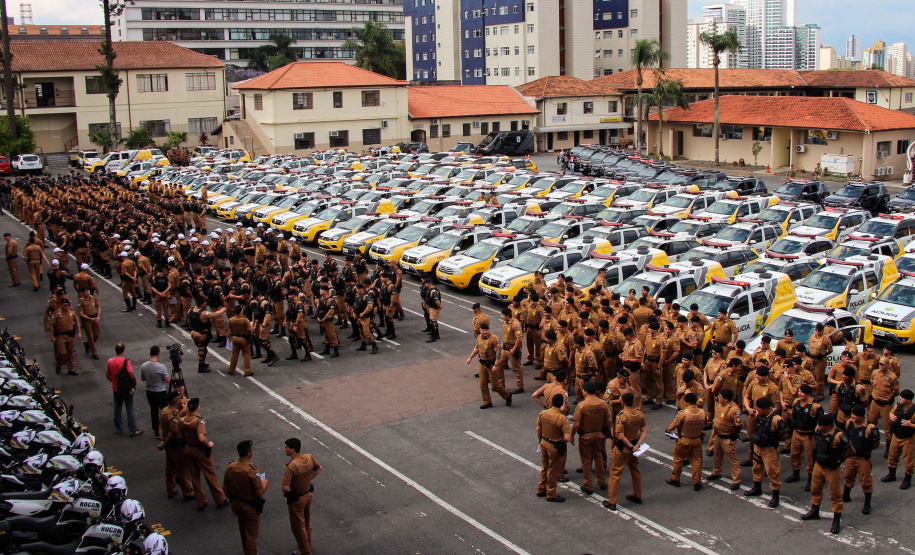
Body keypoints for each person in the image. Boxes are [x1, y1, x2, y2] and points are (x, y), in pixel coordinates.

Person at [803, 414, 850, 534]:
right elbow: (816, 445)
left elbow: (851, 450)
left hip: (832, 468)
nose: (818, 427)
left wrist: (839, 459)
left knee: (835, 495)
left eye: (821, 425)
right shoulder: (818, 431)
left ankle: (836, 520)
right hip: (819, 465)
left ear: (828, 426)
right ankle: (814, 511)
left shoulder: (839, 436)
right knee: (815, 489)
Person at [180, 397, 230, 511]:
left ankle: (200, 501)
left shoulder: (183, 420)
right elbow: (201, 438)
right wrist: (208, 444)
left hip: (188, 448)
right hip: (199, 450)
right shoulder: (199, 420)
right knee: (210, 474)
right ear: (198, 407)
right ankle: (220, 499)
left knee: (194, 476)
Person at [602, 392, 647, 511]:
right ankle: (637, 495)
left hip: (623, 448)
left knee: (615, 473)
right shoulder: (639, 414)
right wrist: (637, 444)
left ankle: (612, 501)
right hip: (634, 446)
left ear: (622, 402)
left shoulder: (622, 416)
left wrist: (631, 447)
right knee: (635, 471)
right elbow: (644, 430)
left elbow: (620, 436)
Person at [224, 440, 269, 555]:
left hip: (237, 503)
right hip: (250, 505)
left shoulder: (230, 467)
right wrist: (265, 483)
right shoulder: (252, 469)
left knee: (243, 531)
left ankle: (247, 551)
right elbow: (259, 491)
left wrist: (233, 501)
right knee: (252, 535)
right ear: (249, 453)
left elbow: (225, 487)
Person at [283, 438, 322, 555]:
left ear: (292, 450)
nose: (284, 449)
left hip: (298, 498)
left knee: (297, 527)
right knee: (307, 522)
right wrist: (306, 480)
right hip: (308, 494)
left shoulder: (291, 466)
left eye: (286, 447)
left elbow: (285, 487)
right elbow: (319, 468)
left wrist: (289, 494)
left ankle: (305, 551)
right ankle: (307, 544)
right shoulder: (308, 457)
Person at [571, 381, 611, 495]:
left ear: (585, 391)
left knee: (586, 461)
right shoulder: (603, 403)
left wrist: (572, 436)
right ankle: (602, 481)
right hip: (599, 434)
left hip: (586, 436)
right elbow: (609, 420)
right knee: (598, 457)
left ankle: (588, 485)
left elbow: (577, 424)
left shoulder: (582, 405)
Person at [745, 397, 784, 508]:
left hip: (769, 448)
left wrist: (772, 440)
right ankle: (757, 488)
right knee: (756, 467)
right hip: (758, 446)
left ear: (766, 408)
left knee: (772, 471)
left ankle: (775, 495)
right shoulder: (758, 415)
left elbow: (783, 435)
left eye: (759, 408)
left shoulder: (776, 419)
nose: (757, 410)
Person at [785, 384, 823, 492]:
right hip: (797, 433)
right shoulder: (796, 402)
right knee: (794, 455)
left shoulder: (815, 406)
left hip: (808, 436)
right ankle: (795, 474)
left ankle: (811, 479)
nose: (799, 393)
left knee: (810, 458)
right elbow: (794, 416)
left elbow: (820, 423)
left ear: (808, 394)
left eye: (802, 392)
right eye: (799, 391)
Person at [157, 390, 193, 501]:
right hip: (175, 445)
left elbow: (162, 427)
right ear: (175, 401)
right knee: (182, 469)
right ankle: (188, 492)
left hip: (168, 445)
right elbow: (173, 432)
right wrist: (165, 443)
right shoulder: (174, 415)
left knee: (170, 468)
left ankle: (171, 489)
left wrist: (163, 440)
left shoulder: (164, 411)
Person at [666, 392, 707, 491]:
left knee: (678, 459)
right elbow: (705, 423)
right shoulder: (702, 412)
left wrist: (667, 430)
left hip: (684, 440)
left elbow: (673, 425)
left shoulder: (683, 413)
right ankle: (697, 482)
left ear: (687, 402)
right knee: (696, 461)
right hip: (697, 439)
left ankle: (675, 479)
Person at [466, 323, 511, 409]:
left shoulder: (494, 339)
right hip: (483, 363)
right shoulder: (479, 337)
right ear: (480, 331)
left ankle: (507, 395)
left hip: (491, 364)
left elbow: (498, 352)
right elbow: (477, 348)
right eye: (483, 330)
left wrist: (496, 364)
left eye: (486, 330)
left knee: (495, 384)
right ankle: (487, 401)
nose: (485, 332)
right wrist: (470, 358)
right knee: (483, 384)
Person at [844, 405, 879, 515]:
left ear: (861, 416)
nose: (852, 416)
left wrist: (866, 451)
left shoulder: (870, 428)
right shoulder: (850, 423)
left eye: (855, 414)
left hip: (863, 458)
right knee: (848, 475)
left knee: (866, 481)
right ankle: (846, 494)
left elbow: (875, 443)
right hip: (851, 456)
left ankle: (867, 503)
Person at [537, 393, 571, 502]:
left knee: (544, 466)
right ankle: (551, 492)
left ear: (551, 402)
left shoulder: (543, 413)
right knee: (553, 470)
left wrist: (540, 440)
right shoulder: (561, 418)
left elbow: (538, 429)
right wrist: (560, 440)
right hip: (554, 446)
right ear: (562, 404)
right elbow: (568, 437)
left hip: (544, 442)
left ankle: (541, 488)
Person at [708, 388, 743, 490]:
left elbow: (739, 424)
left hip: (728, 438)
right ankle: (716, 472)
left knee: (732, 460)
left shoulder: (734, 410)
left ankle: (736, 479)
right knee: (717, 456)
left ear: (726, 399)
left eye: (721, 397)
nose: (719, 397)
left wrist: (733, 432)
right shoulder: (719, 404)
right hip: (718, 436)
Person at [881, 389, 915, 489]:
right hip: (896, 436)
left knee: (908, 460)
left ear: (908, 400)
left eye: (902, 397)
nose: (900, 398)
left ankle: (907, 480)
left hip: (907, 439)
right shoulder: (898, 406)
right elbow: (891, 413)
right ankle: (891, 475)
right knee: (892, 457)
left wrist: (910, 424)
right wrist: (892, 417)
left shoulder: (913, 410)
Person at [106, 343, 141, 436]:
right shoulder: (126, 362)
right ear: (123, 350)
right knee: (130, 409)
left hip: (116, 388)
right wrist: (134, 383)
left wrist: (114, 381)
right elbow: (130, 374)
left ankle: (118, 428)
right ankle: (132, 429)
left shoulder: (110, 361)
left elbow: (107, 375)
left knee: (117, 408)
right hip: (126, 388)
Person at [140, 346, 170, 439]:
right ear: (158, 353)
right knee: (165, 411)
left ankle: (156, 431)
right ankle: (166, 429)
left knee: (154, 411)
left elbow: (143, 378)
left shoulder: (144, 365)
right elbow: (167, 380)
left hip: (150, 391)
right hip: (160, 392)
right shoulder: (161, 367)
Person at [49, 297, 81, 376]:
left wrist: (79, 332)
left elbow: (77, 321)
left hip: (70, 335)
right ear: (61, 306)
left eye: (68, 305)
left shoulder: (72, 313)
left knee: (71, 353)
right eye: (65, 305)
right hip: (60, 335)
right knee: (62, 353)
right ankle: (59, 364)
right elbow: (51, 325)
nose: (66, 307)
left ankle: (71, 369)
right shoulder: (57, 314)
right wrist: (52, 336)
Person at [228, 308, 254, 377]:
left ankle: (231, 369)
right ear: (240, 311)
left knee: (234, 354)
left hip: (235, 338)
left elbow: (229, 330)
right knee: (246, 355)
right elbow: (250, 329)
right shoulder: (244, 320)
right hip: (243, 338)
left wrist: (229, 339)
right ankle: (247, 371)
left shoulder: (231, 320)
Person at [77, 288, 101, 360]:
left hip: (94, 318)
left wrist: (98, 316)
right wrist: (89, 318)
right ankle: (94, 352)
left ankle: (87, 344)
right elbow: (80, 313)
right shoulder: (81, 301)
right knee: (90, 336)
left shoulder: (93, 298)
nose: (87, 293)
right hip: (86, 320)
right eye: (85, 292)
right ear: (83, 293)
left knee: (96, 335)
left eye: (88, 291)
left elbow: (98, 306)